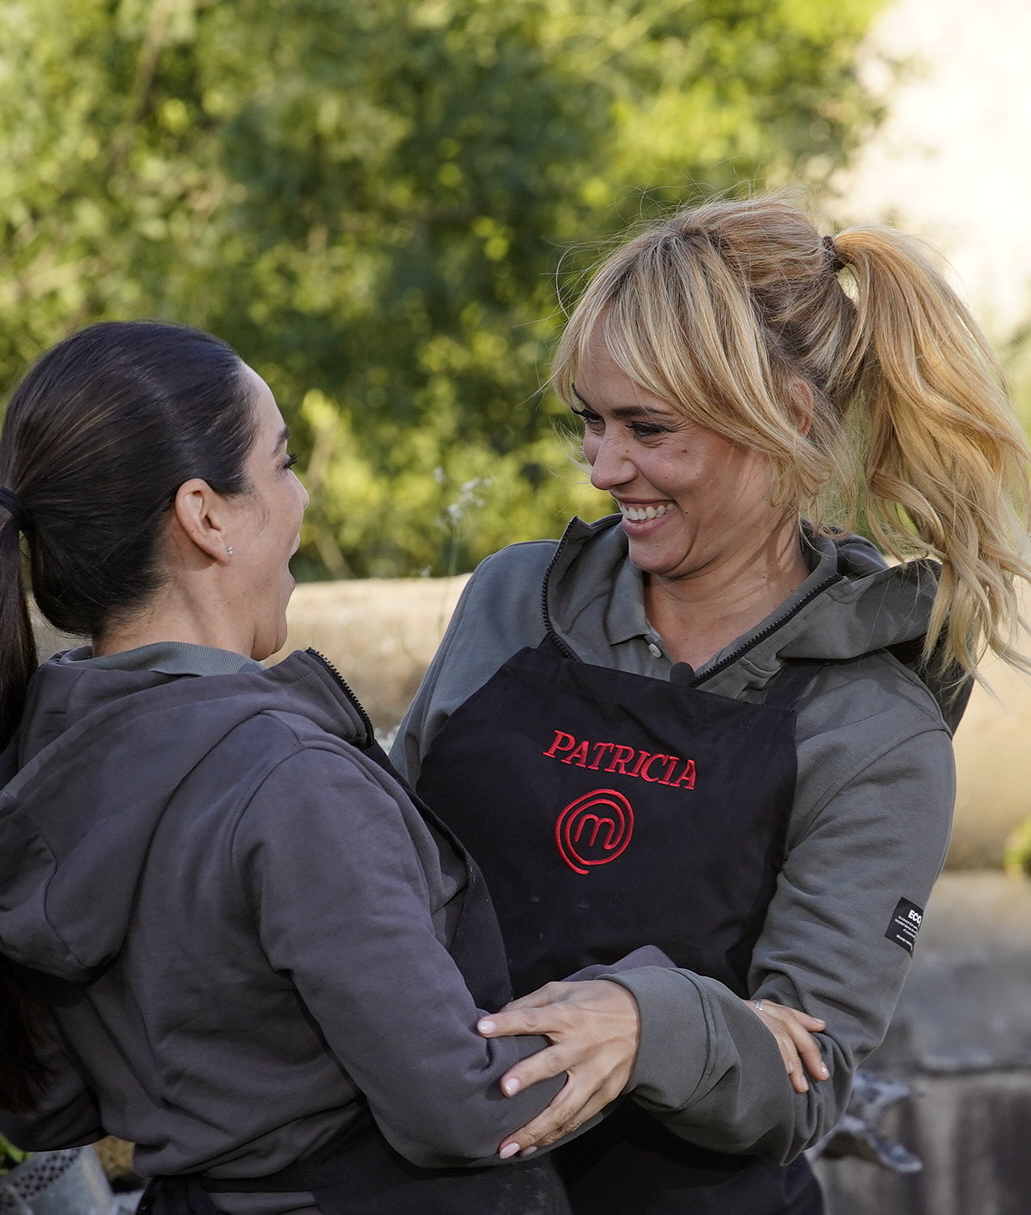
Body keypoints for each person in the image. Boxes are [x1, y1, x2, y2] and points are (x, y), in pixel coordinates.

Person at [0, 320, 674, 1215]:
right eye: (284, 462)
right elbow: (464, 1105)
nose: (302, 499)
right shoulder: (286, 780)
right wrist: (661, 1018)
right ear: (206, 514)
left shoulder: (30, 760)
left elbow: (42, 1102)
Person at [392, 193, 1031, 1214]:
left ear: (780, 416)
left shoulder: (873, 729)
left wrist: (646, 1022)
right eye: (592, 424)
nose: (605, 469)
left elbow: (803, 1079)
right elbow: (381, 865)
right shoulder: (512, 602)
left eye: (648, 429)